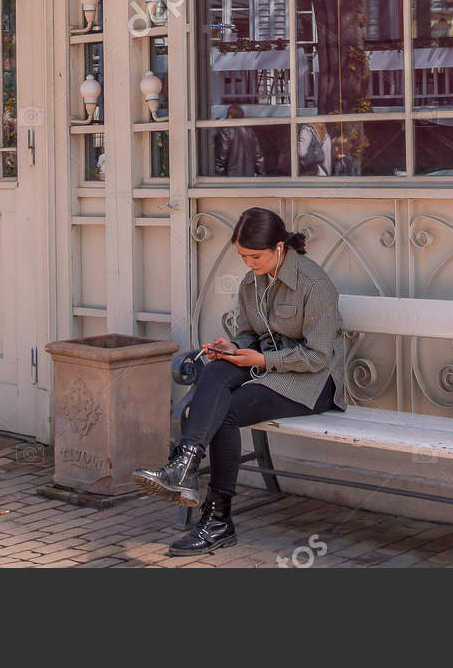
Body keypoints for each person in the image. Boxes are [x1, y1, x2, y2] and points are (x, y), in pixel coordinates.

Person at [131, 207, 345, 555]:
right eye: (243, 256)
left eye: (255, 256)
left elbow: (320, 356)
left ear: (279, 247)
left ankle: (216, 518)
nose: (249, 264)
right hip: (267, 368)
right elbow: (249, 334)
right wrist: (233, 348)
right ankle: (184, 464)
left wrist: (259, 359)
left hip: (311, 383)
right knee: (216, 370)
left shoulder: (315, 284)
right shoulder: (251, 283)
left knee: (225, 412)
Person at [213, 104, 264, 176]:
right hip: (249, 177)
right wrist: (261, 175)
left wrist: (216, 178)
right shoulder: (250, 132)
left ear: (230, 116)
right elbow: (258, 157)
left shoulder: (225, 132)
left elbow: (221, 158)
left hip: (231, 179)